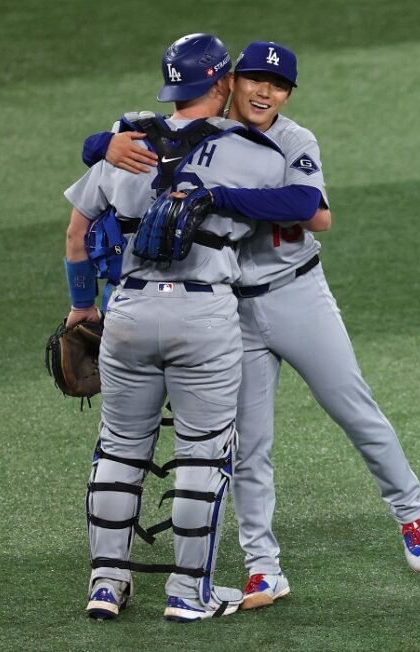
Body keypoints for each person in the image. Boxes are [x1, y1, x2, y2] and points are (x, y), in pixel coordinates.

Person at [86, 40, 420, 610]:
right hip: (231, 311)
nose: (265, 92)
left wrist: (218, 197)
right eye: (255, 80)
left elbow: (314, 212)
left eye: (278, 85)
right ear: (231, 82)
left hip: (297, 295)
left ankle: (410, 514)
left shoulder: (293, 141)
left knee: (352, 407)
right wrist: (102, 144)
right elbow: (124, 148)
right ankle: (262, 567)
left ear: (288, 94)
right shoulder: (204, 137)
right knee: (248, 445)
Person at [64, 33, 320, 623]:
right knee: (203, 458)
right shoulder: (257, 154)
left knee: (119, 448)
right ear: (224, 82)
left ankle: (106, 584)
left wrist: (82, 309)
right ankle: (188, 594)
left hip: (127, 312)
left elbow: (77, 235)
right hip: (204, 316)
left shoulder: (124, 144)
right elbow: (308, 207)